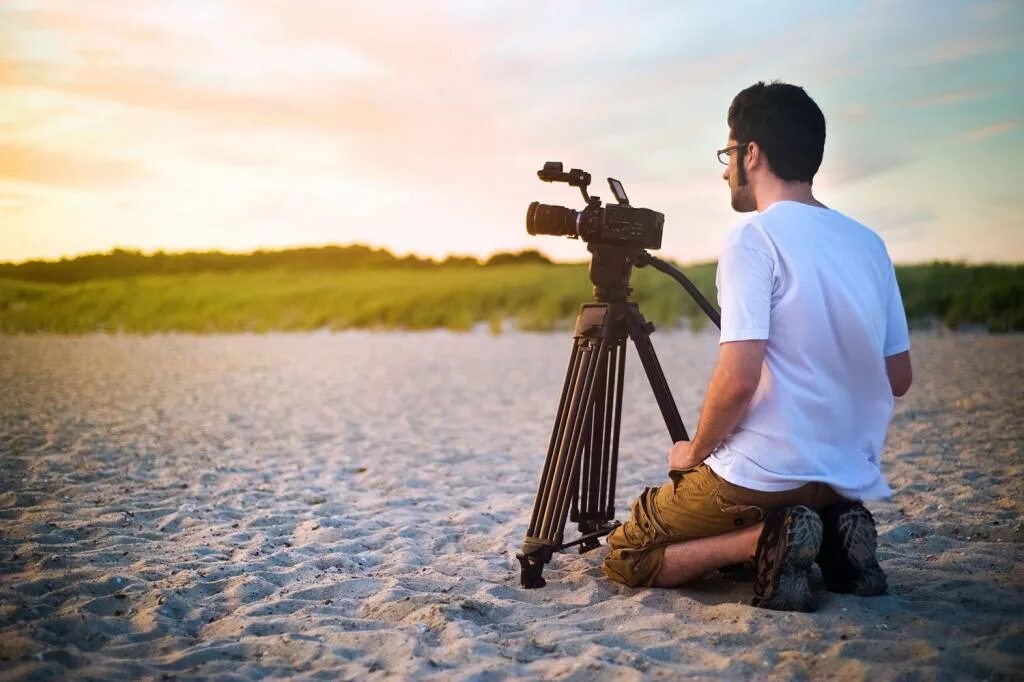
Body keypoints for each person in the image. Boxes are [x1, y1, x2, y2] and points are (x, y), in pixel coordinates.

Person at [601, 81, 913, 611]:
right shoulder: (868, 243)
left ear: (752, 153)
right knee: (803, 503)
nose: (725, 170)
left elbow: (739, 377)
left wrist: (693, 453)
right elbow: (898, 377)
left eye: (728, 154)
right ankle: (836, 536)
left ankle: (765, 539)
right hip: (842, 475)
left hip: (765, 475)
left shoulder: (753, 238)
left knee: (627, 554)